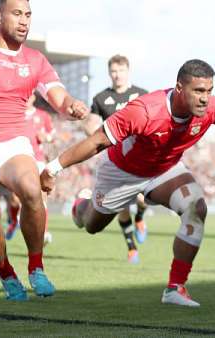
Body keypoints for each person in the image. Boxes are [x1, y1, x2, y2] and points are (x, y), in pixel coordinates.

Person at [40, 59, 215, 307]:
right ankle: (81, 206)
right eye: (198, 91)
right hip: (120, 172)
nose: (205, 98)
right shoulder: (144, 110)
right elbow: (97, 141)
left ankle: (175, 288)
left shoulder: (212, 108)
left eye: (209, 91)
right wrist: (54, 167)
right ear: (179, 88)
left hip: (164, 169)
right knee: (91, 225)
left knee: (196, 208)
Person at [0, 0, 88, 301]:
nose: (24, 20)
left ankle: (36, 267)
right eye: (17, 14)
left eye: (28, 15)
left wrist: (71, 106)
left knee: (31, 189)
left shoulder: (36, 60)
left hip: (13, 142)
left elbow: (57, 95)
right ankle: (5, 272)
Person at [88, 55, 149, 264]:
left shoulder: (142, 95)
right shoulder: (100, 99)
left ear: (128, 71)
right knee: (121, 205)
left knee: (143, 200)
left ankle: (140, 216)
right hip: (114, 161)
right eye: (113, 71)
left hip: (139, 159)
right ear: (109, 73)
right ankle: (131, 247)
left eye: (121, 70)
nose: (117, 75)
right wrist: (88, 126)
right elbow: (93, 126)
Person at [6, 94, 56, 245]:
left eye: (29, 96)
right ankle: (14, 221)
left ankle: (43, 232)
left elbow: (52, 135)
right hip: (18, 159)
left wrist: (45, 137)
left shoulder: (43, 116)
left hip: (38, 159)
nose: (26, 98)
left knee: (42, 196)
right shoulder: (14, 114)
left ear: (33, 97)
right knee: (14, 199)